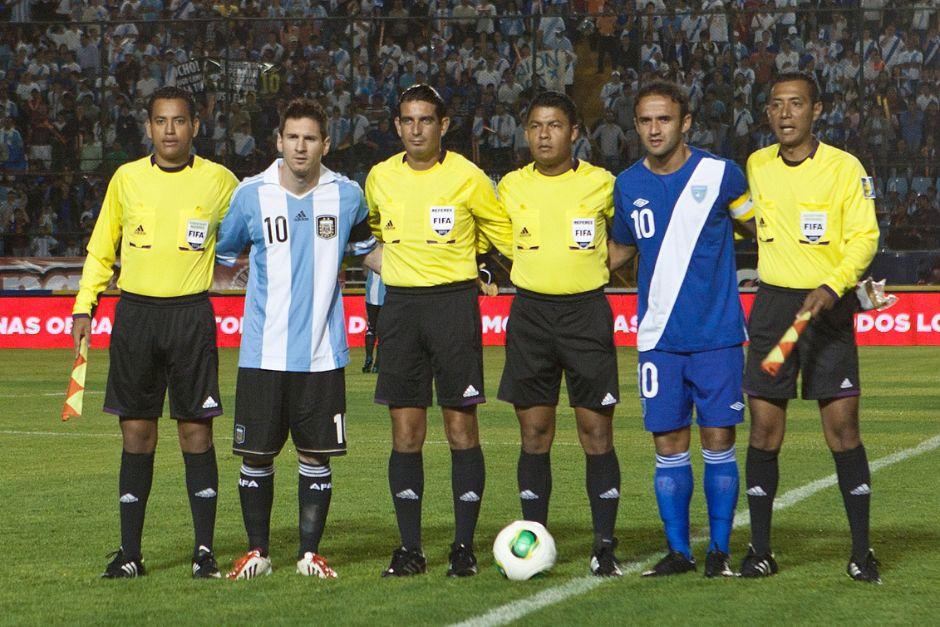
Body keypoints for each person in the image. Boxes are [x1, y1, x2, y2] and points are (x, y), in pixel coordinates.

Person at [71, 86, 238, 579]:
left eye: (179, 121)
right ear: (148, 128)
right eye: (161, 121)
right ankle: (130, 554)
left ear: (194, 127)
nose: (170, 130)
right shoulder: (126, 180)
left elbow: (252, 226)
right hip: (136, 316)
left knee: (195, 431)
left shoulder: (220, 182)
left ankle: (203, 553)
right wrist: (86, 305)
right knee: (137, 433)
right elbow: (102, 249)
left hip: (190, 316)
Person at [217, 98, 380, 580]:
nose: (301, 146)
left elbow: (372, 254)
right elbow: (222, 255)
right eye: (293, 137)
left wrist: (435, 276)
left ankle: (310, 555)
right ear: (279, 141)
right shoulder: (251, 195)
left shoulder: (347, 196)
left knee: (316, 454)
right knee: (257, 453)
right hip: (263, 351)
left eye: (311, 138)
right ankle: (257, 552)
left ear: (325, 143)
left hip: (321, 352)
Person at [608, 80, 756, 578]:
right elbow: (620, 254)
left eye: (664, 119)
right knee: (667, 446)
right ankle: (678, 552)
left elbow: (762, 230)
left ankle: (718, 551)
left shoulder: (721, 175)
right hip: (658, 340)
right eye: (645, 121)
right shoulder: (627, 185)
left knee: (718, 439)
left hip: (717, 336)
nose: (654, 129)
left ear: (685, 122)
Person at [365, 85, 513, 577]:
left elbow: (505, 236)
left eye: (425, 120)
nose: (415, 129)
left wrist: (485, 267)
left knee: (459, 428)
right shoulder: (380, 177)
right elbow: (369, 234)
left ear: (444, 125)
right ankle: (409, 549)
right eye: (407, 120)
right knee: (405, 431)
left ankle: (463, 547)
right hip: (401, 309)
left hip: (453, 307)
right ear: (397, 125)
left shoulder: (468, 177)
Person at [739, 72, 881, 583]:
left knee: (842, 431)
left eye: (795, 104)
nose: (784, 114)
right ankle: (759, 550)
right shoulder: (756, 165)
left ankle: (861, 552)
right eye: (775, 104)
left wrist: (836, 284)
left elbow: (865, 236)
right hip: (774, 307)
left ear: (816, 110)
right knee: (764, 429)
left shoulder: (845, 169)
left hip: (830, 309)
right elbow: (743, 217)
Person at [496, 91, 623, 576]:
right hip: (529, 315)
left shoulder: (602, 184)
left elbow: (628, 241)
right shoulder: (509, 186)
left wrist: (590, 266)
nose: (543, 134)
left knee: (596, 432)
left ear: (574, 133)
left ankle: (604, 545)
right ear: (526, 132)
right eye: (535, 126)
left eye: (553, 126)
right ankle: (534, 540)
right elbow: (495, 239)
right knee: (535, 433)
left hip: (586, 314)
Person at [363, 267, 385, 373]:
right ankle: (378, 363)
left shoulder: (373, 251)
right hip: (385, 296)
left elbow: (365, 271)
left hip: (371, 296)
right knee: (383, 332)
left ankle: (368, 358)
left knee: (371, 328)